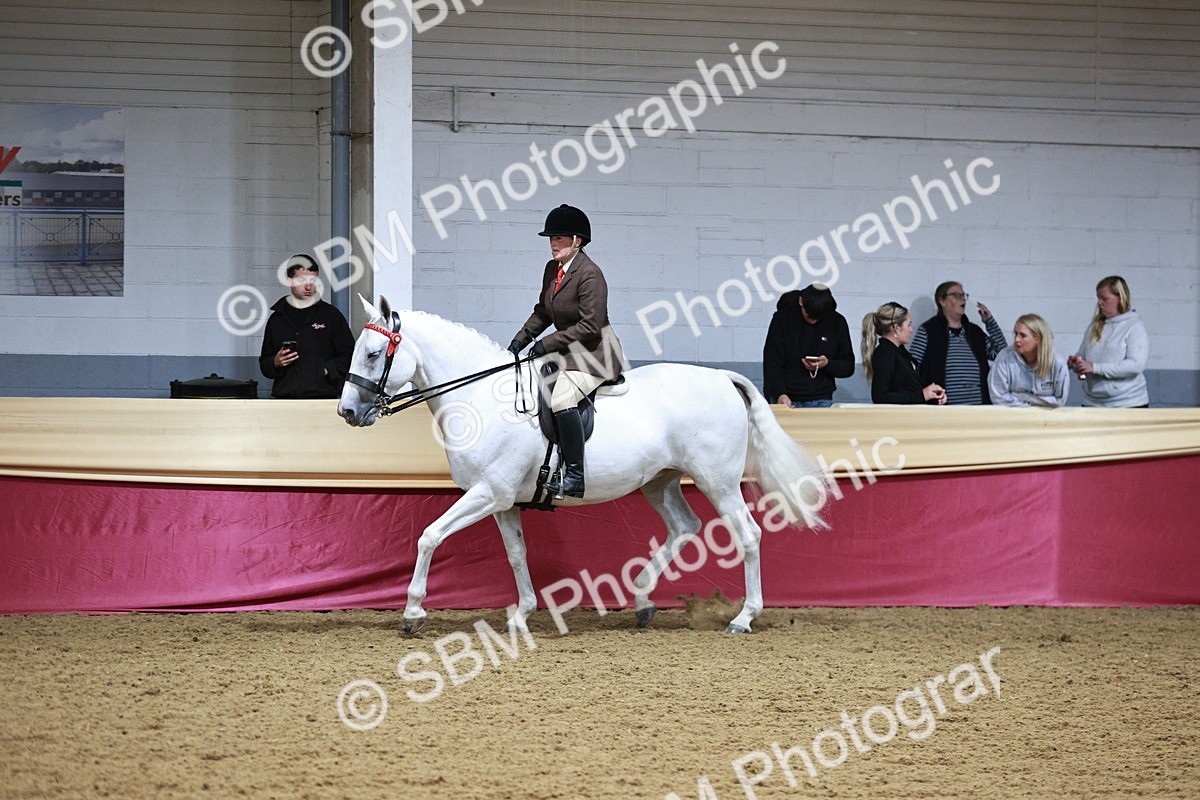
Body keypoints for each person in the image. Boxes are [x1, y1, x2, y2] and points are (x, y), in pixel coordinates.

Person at [508, 205, 625, 499]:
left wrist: (546, 344)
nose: (553, 243)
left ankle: (574, 475)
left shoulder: (590, 275)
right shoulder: (552, 269)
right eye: (551, 238)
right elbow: (543, 311)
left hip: (596, 352)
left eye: (559, 238)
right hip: (569, 351)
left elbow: (590, 327)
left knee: (561, 398)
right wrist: (519, 341)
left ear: (578, 240)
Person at [258, 254, 355, 399]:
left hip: (322, 397)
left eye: (313, 280)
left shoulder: (331, 316)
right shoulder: (277, 319)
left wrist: (326, 370)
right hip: (284, 398)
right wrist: (275, 362)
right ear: (289, 281)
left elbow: (350, 354)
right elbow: (264, 363)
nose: (308, 286)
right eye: (302, 280)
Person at [909, 281, 1007, 404]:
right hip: (943, 411)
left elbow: (1001, 353)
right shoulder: (929, 331)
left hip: (978, 409)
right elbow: (911, 367)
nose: (963, 300)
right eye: (956, 295)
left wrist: (990, 322)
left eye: (963, 295)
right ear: (942, 301)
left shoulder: (974, 332)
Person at [762, 283, 854, 408]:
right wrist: (780, 393)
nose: (813, 321)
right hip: (787, 397)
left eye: (818, 318)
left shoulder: (837, 322)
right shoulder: (782, 319)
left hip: (821, 398)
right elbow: (772, 361)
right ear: (800, 301)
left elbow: (848, 366)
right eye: (808, 316)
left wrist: (827, 364)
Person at [1067, 275, 1150, 408]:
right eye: (1098, 298)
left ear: (1120, 299)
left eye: (1104, 299)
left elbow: (1136, 365)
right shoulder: (1094, 326)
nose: (1099, 303)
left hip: (1127, 404)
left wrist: (1095, 368)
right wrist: (1077, 362)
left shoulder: (1135, 326)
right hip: (1093, 402)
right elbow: (1083, 354)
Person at [861, 302, 947, 405]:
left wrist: (933, 394)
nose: (911, 330)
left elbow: (911, 390)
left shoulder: (901, 353)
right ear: (897, 328)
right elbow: (880, 397)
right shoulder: (884, 354)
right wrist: (922, 395)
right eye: (909, 325)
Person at [989, 314, 1070, 407]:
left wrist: (1022, 397)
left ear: (1037, 339)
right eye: (1015, 334)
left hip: (1046, 419)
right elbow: (998, 398)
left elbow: (1059, 401)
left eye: (1023, 336)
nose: (1016, 339)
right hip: (1013, 418)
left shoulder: (1057, 363)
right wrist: (1036, 404)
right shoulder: (1004, 358)